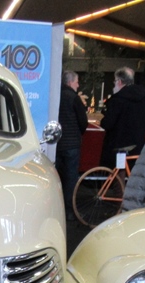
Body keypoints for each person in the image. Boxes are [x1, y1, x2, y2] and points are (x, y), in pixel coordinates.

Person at [99, 66, 145, 167]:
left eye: (115, 81)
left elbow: (107, 123)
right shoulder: (143, 97)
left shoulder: (117, 99)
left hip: (118, 145)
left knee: (117, 169)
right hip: (138, 144)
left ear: (119, 81)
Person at [55, 70, 89, 219]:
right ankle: (69, 211)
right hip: (72, 145)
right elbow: (83, 122)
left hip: (56, 144)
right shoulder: (74, 98)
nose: (78, 85)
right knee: (70, 179)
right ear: (70, 82)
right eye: (77, 82)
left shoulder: (55, 95)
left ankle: (57, 209)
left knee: (57, 178)